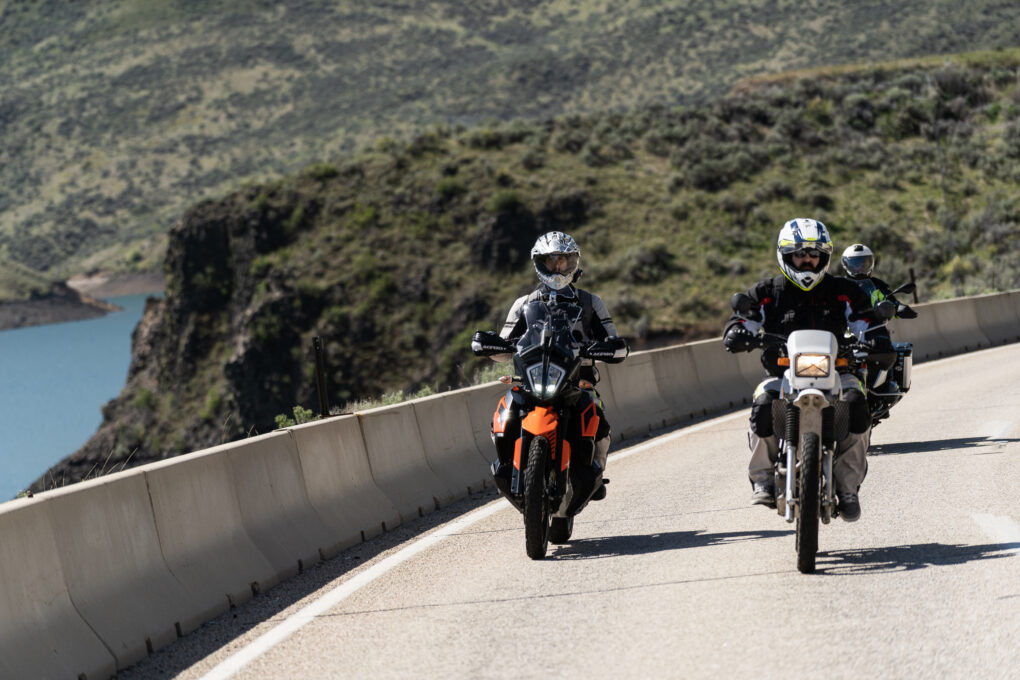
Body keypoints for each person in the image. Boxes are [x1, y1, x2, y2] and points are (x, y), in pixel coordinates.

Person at [723, 219, 874, 521]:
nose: (807, 260)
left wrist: (875, 335)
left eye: (813, 254)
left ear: (824, 257)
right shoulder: (766, 292)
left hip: (838, 372)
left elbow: (864, 320)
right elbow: (745, 319)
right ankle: (763, 479)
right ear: (786, 255)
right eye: (799, 254)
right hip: (782, 375)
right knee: (763, 404)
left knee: (858, 406)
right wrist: (738, 331)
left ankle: (847, 487)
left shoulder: (844, 291)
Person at [489, 231, 624, 500]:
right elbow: (504, 346)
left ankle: (594, 474)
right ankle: (507, 465)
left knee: (599, 420)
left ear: (574, 263)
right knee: (505, 413)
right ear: (539, 264)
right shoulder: (524, 304)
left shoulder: (591, 302)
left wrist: (608, 347)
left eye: (563, 260)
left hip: (577, 378)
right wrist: (495, 346)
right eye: (551, 261)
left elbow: (612, 338)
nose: (558, 267)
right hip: (532, 376)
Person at [841, 243, 918, 394]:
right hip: (845, 332)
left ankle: (885, 384)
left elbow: (891, 300)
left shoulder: (877, 285)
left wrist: (898, 308)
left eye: (864, 263)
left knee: (887, 348)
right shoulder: (840, 286)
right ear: (846, 264)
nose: (860, 268)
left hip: (874, 330)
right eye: (855, 264)